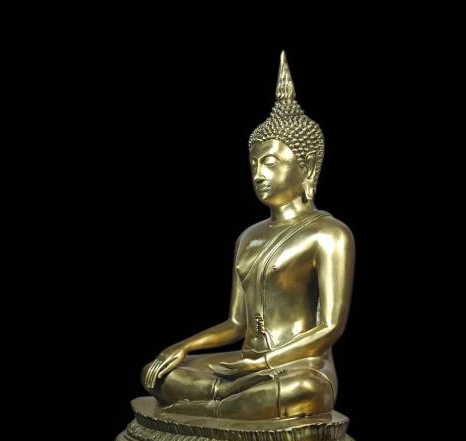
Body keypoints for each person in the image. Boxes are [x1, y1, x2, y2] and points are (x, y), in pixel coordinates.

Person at [142, 52, 355, 420]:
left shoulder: (329, 234)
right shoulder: (248, 236)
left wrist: (264, 364)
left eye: (270, 162)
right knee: (162, 375)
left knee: (303, 392)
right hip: (243, 364)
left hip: (298, 367)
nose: (258, 174)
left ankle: (213, 406)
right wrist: (182, 347)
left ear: (306, 167)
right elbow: (236, 324)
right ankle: (226, 405)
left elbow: (330, 327)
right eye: (254, 163)